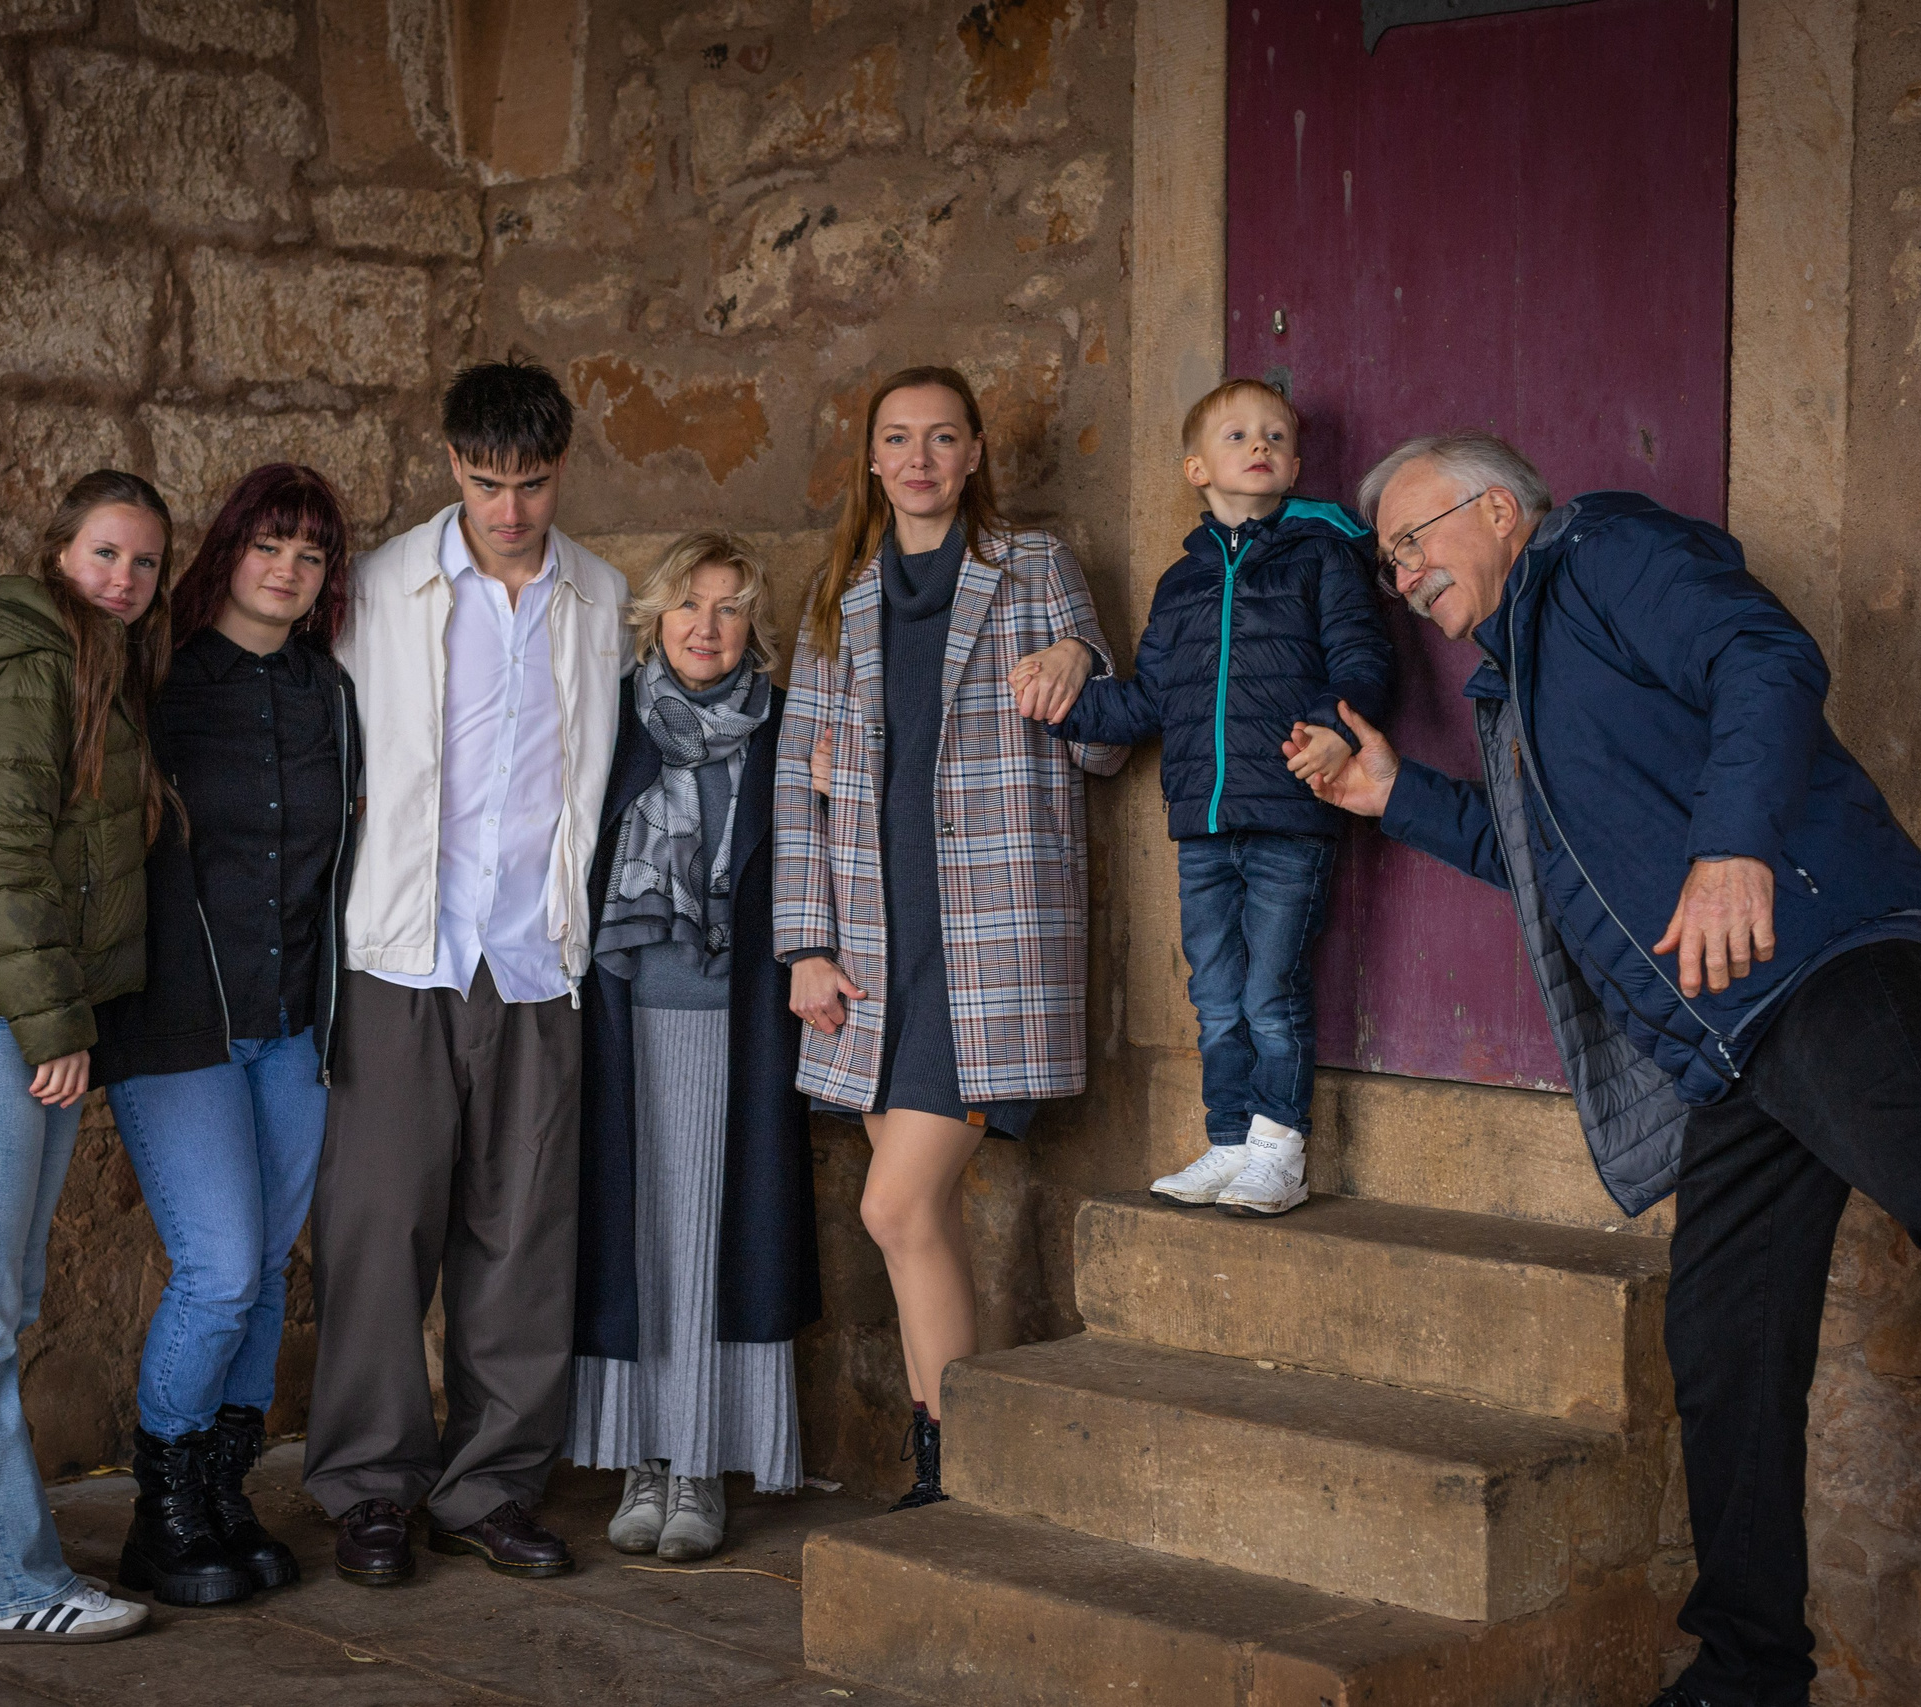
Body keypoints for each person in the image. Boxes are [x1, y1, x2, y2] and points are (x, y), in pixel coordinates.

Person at [1285, 430, 1921, 1707]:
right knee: (1726, 1333)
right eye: (1389, 561)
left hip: (1810, 948)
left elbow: (1766, 657)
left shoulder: (1607, 551)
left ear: (1504, 510)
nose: (1401, 576)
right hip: (1725, 1037)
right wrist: (1397, 791)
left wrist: (1733, 843)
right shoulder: (1511, 697)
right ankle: (1748, 1672)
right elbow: (1545, 861)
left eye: (1415, 540)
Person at [0, 467, 364, 1609]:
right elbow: (17, 800)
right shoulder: (147, 675)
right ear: (224, 555)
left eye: (310, 556)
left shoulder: (330, 693)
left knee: (262, 1270)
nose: (287, 570)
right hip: (173, 1023)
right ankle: (161, 1507)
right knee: (217, 1267)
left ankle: (220, 1494)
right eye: (269, 545)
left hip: (290, 1025)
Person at [776, 365, 1125, 1511]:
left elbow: (1109, 746)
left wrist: (1081, 668)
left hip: (991, 942)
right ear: (871, 461)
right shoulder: (840, 595)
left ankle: (954, 1456)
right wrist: (804, 948)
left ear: (974, 453)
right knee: (909, 1221)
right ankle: (949, 1466)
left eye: (940, 438)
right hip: (875, 945)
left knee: (892, 1203)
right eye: (895, 439)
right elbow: (798, 787)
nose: (918, 458)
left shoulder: (1033, 572)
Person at [303, 358, 627, 1585]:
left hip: (538, 963)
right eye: (487, 482)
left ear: (560, 470)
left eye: (533, 484)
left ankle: (493, 1487)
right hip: (398, 956)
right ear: (450, 464)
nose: (509, 509)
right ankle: (371, 1489)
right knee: (378, 1231)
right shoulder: (378, 588)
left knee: (524, 1235)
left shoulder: (600, 597)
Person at [0, 469, 171, 1643]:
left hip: (16, 1019)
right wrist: (54, 1025)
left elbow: (17, 830)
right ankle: (0, 1585)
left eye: (145, 564)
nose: (125, 579)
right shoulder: (33, 667)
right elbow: (0, 860)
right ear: (59, 550)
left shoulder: (93, 665)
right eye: (106, 554)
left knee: (0, 1306)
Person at [1034, 377, 1389, 1215]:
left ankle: (1280, 1151)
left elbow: (1363, 663)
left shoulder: (1322, 557)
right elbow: (1148, 700)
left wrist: (1335, 727)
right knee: (1216, 994)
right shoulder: (1181, 584)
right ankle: (1229, 1141)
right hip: (1201, 822)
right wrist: (1062, 705)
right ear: (1197, 466)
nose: (1258, 445)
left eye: (1274, 435)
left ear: (1296, 464)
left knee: (1272, 992)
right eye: (1237, 436)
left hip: (1291, 814)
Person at [568, 532, 821, 1562]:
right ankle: (640, 1457)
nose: (706, 628)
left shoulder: (781, 731)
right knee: (642, 1243)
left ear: (752, 626)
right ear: (653, 620)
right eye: (687, 606)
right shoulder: (607, 724)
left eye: (729, 608)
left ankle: (704, 1468)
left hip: (740, 1024)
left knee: (720, 1241)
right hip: (625, 1021)